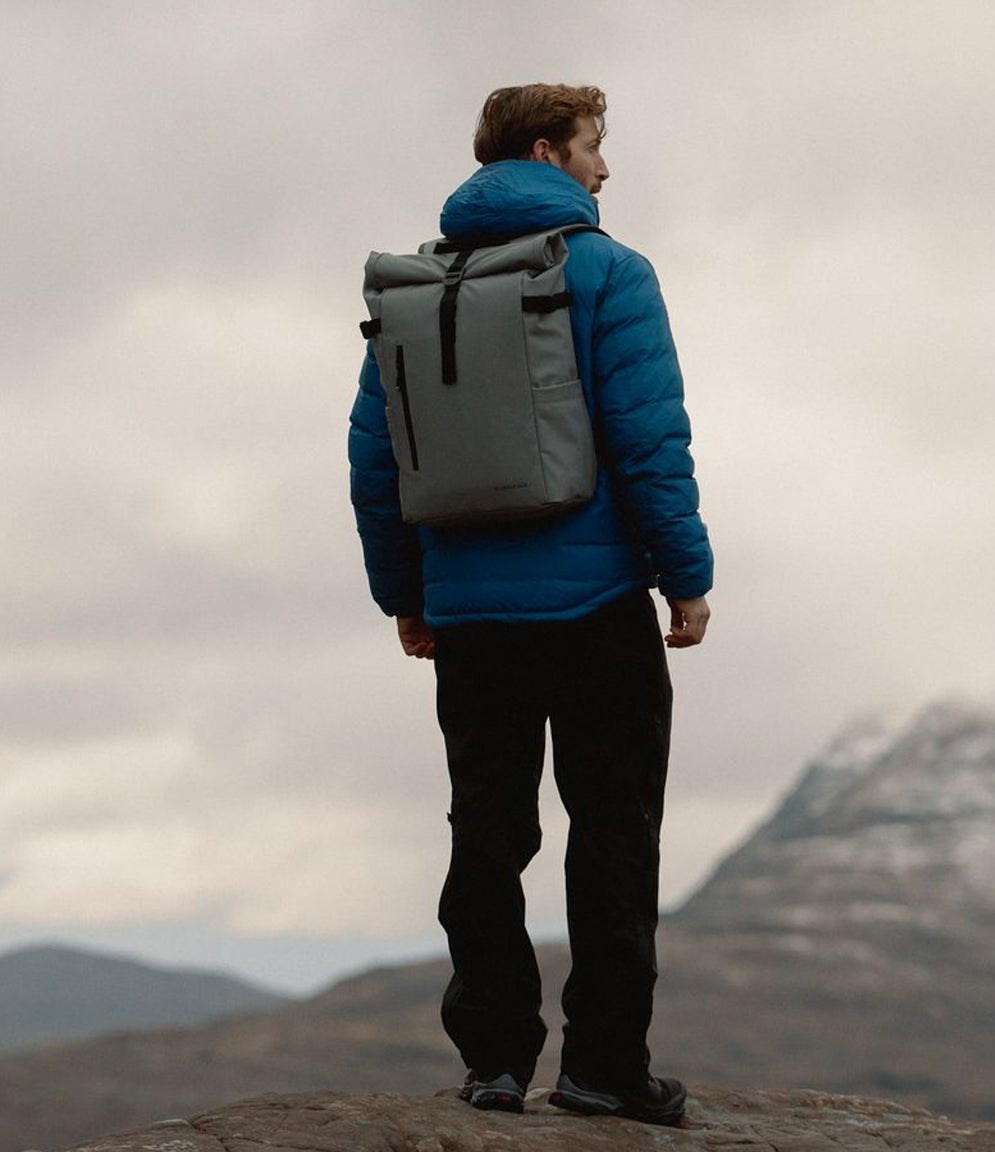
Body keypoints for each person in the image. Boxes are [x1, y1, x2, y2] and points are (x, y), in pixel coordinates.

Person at [347, 83, 714, 1126]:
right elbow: (649, 442)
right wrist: (683, 576)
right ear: (550, 151)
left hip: (469, 620)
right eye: (596, 148)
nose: (606, 170)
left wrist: (405, 596)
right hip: (596, 606)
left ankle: (495, 1063)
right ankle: (603, 1069)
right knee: (611, 834)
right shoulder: (609, 272)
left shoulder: (419, 288)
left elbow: (375, 462)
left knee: (485, 834)